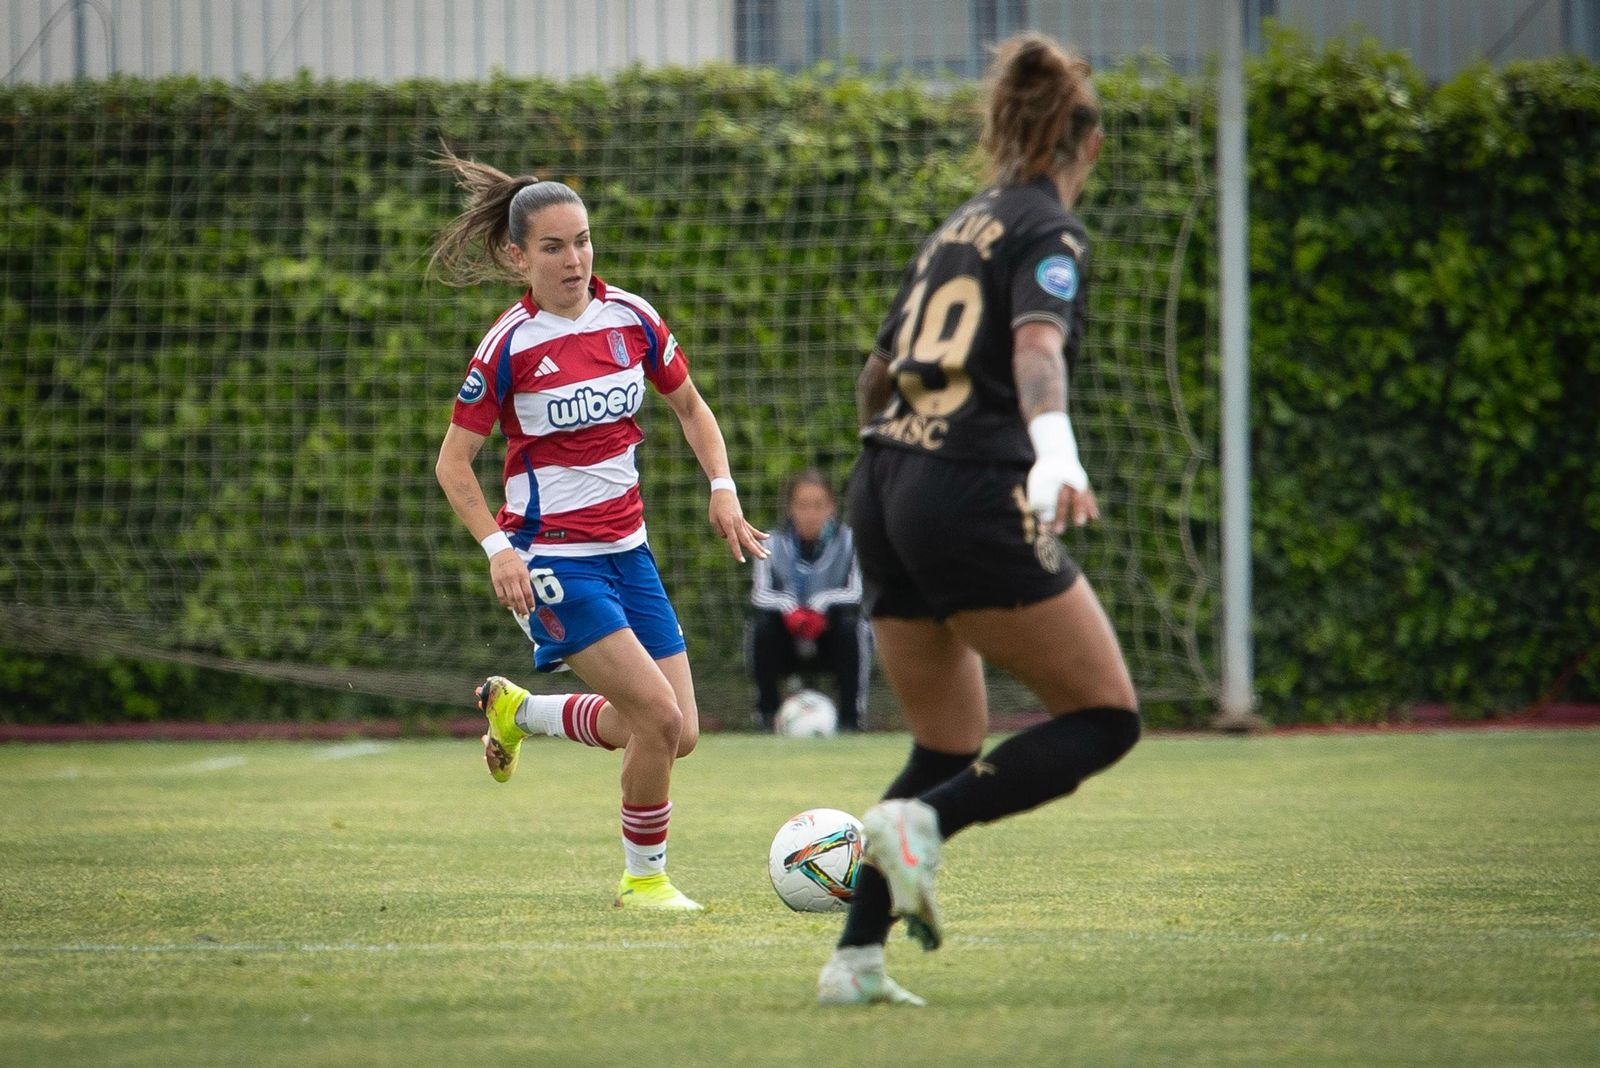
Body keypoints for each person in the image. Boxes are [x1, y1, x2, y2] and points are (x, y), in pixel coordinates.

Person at [815, 33, 1141, 1005]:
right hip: (965, 489)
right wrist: (1055, 452)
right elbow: (1037, 348)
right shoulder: (1050, 231)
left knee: (946, 742)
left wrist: (900, 470)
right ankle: (926, 827)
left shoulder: (957, 225)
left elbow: (876, 376)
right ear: (1087, 144)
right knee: (1107, 717)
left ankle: (854, 963)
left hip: (883, 481)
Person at [429, 147, 768, 912]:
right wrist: (498, 549)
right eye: (553, 247)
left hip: (628, 554)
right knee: (656, 717)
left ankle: (520, 712)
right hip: (553, 562)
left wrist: (722, 488)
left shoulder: (633, 319)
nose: (574, 260)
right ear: (518, 256)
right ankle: (644, 881)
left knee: (677, 732)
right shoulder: (507, 346)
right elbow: (453, 466)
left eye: (582, 241)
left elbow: (692, 408)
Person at [749, 470, 869, 732]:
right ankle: (766, 714)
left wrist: (820, 605)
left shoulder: (851, 541)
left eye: (818, 505)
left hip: (831, 636)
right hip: (787, 636)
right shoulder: (770, 542)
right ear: (790, 508)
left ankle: (851, 718)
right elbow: (759, 594)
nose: (810, 514)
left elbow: (857, 591)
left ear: (831, 507)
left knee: (852, 625)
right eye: (802, 505)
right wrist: (791, 608)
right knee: (761, 627)